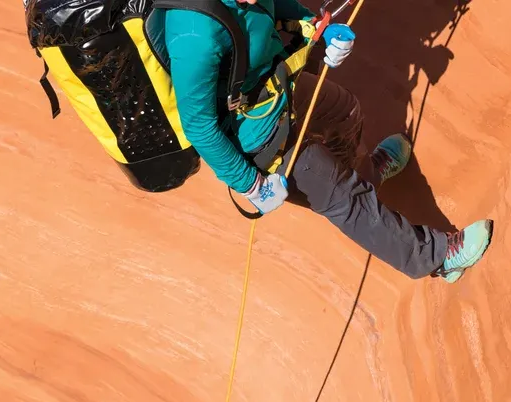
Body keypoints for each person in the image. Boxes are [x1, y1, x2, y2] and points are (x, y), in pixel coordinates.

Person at [162, 0, 493, 283]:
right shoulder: (195, 35)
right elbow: (199, 126)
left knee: (346, 112)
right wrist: (252, 186)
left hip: (281, 88)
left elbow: (277, 9)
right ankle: (438, 258)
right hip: (258, 136)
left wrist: (315, 28)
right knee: (346, 199)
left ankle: (367, 175)